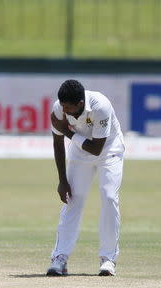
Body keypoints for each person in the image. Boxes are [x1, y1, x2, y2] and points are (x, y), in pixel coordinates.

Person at [47, 80, 125, 276]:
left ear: (81, 103)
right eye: (62, 106)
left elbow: (97, 148)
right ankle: (60, 257)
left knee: (109, 197)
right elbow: (57, 143)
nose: (64, 111)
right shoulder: (59, 108)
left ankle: (108, 259)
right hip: (80, 154)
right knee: (73, 200)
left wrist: (66, 131)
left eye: (68, 107)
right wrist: (62, 180)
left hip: (109, 152)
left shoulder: (100, 106)